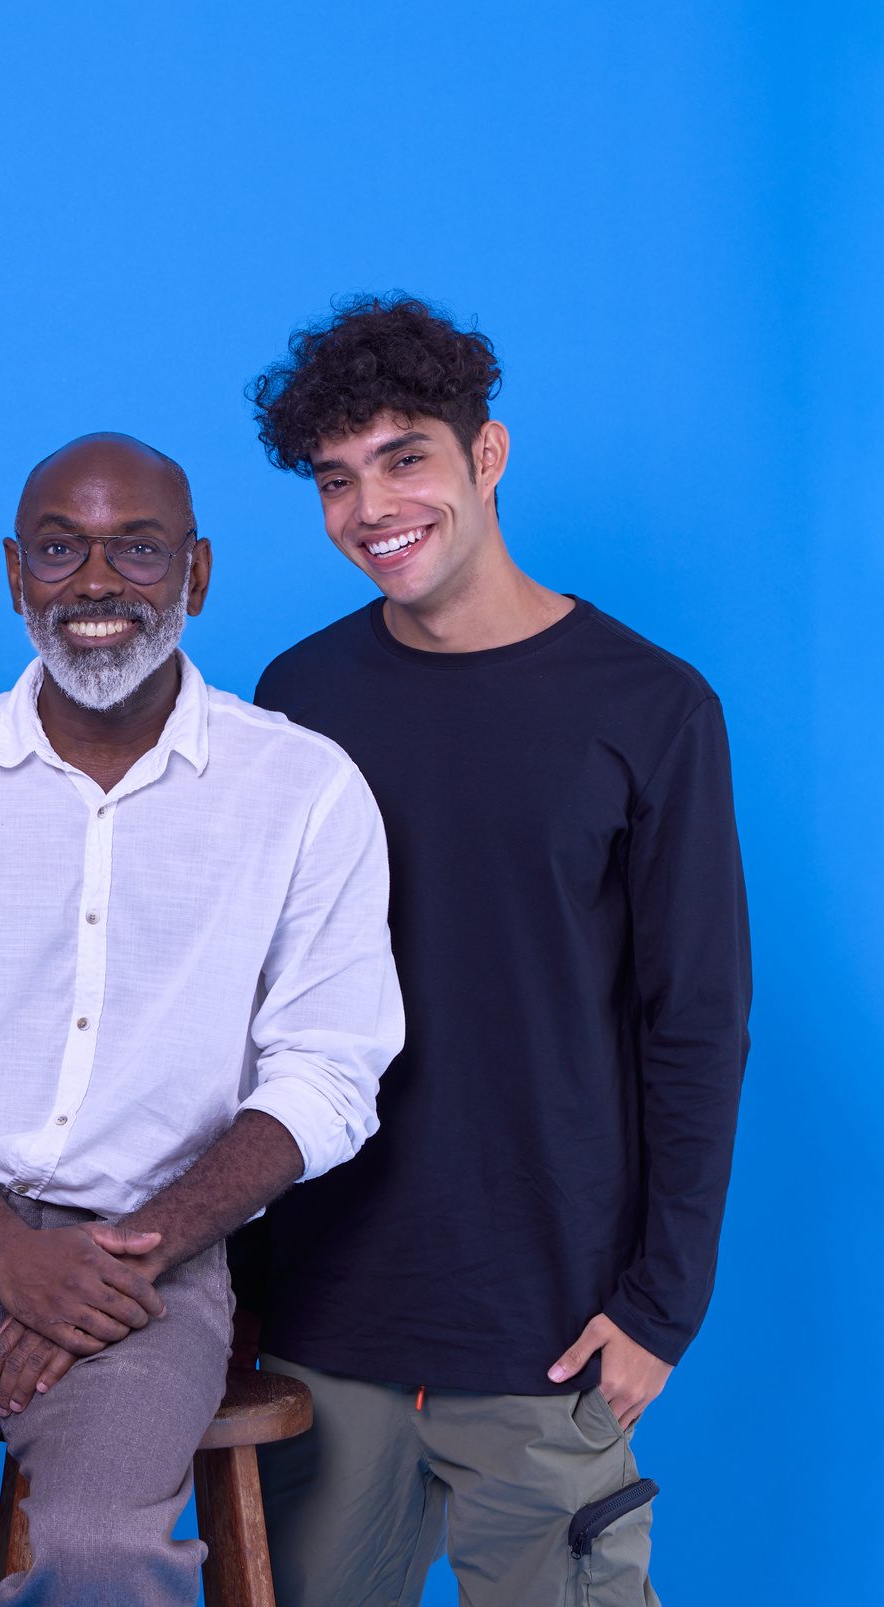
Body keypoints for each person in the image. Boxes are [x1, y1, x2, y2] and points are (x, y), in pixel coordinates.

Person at [0, 433, 404, 1607]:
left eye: (137, 548)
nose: (95, 582)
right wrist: (3, 1246)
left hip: (154, 1245)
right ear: (16, 572)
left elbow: (329, 1072)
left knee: (100, 1558)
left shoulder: (304, 788)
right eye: (62, 549)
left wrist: (129, 1252)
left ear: (198, 573)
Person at [237, 296, 750, 1606]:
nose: (369, 506)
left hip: (549, 1321)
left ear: (486, 455)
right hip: (323, 1318)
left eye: (403, 456)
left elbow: (691, 1017)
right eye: (332, 479)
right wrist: (234, 1291)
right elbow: (248, 1002)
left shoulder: (648, 705)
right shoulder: (297, 698)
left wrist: (658, 1304)